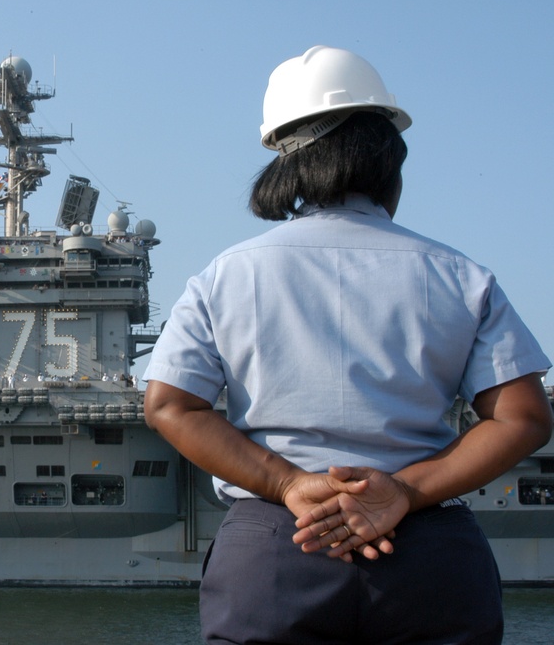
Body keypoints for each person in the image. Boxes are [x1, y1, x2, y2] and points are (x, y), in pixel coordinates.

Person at [142, 45, 553, 644]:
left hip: (277, 547)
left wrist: (288, 483)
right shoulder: (461, 276)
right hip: (428, 550)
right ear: (387, 162)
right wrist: (404, 492)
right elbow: (523, 417)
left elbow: (168, 405)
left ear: (284, 167)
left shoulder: (225, 275)